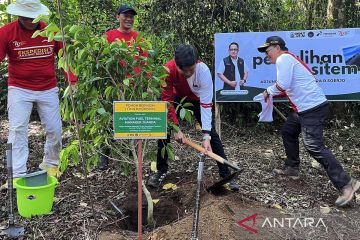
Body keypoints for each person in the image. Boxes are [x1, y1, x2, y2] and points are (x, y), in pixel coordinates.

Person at [258, 36, 360, 207]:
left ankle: (347, 184)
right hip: (303, 109)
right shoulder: (289, 60)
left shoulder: (284, 58)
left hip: (312, 108)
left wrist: (268, 91)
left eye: (268, 51)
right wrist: (271, 94)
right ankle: (292, 168)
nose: (267, 55)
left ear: (277, 47)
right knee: (288, 131)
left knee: (314, 146)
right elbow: (290, 87)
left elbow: (282, 84)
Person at [0, 0, 76, 189]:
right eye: (27, 18)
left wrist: (72, 80)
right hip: (19, 88)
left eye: (34, 18)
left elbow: (65, 56)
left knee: (55, 129)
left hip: (48, 88)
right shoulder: (6, 32)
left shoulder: (51, 30)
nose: (31, 21)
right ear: (19, 15)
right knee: (17, 130)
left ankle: (51, 165)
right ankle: (17, 174)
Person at [148, 44, 240, 191]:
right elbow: (167, 101)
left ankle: (226, 174)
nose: (189, 73)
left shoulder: (202, 71)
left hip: (198, 100)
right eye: (185, 70)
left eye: (192, 69)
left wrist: (206, 135)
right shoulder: (167, 70)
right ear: (176, 65)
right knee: (163, 129)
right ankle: (161, 170)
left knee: (212, 135)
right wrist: (176, 128)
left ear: (196, 62)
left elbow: (206, 104)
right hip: (178, 99)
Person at [97, 4, 148, 170]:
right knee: (109, 119)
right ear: (118, 17)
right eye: (125, 15)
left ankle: (130, 156)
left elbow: (145, 62)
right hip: (113, 85)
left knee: (133, 120)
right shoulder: (109, 36)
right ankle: (104, 157)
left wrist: (146, 84)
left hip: (133, 87)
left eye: (131, 16)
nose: (129, 19)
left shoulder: (138, 38)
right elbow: (101, 60)